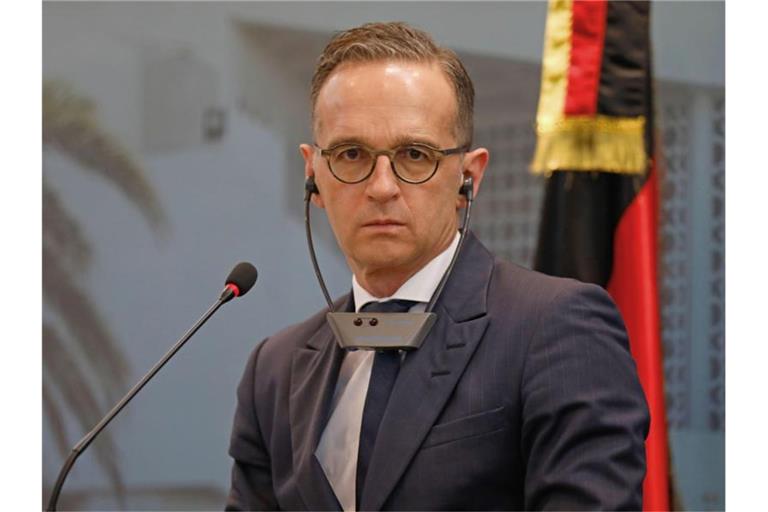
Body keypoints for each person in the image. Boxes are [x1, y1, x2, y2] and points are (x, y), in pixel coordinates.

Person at [226, 22, 649, 511]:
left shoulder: (556, 328)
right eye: (351, 154)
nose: (381, 186)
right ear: (312, 174)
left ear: (469, 177)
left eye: (414, 155)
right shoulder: (275, 369)